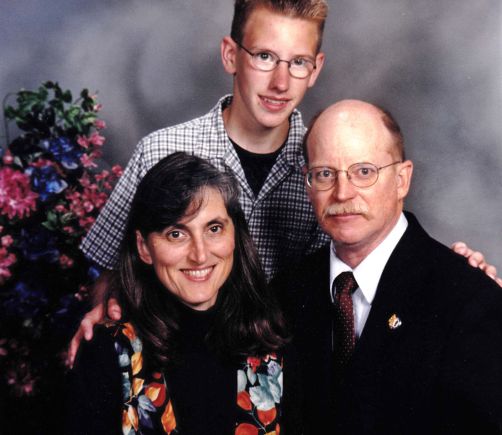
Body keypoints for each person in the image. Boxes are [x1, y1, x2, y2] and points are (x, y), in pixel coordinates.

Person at [69, 0, 498, 365]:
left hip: (277, 388)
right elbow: (111, 269)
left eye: (298, 62)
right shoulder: (159, 152)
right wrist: (104, 311)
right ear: (230, 55)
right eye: (264, 57)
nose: (280, 82)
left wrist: (459, 279)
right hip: (173, 369)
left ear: (316, 68)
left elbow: (372, 260)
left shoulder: (328, 166)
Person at [274, 100, 502, 434]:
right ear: (308, 186)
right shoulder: (284, 293)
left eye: (364, 172)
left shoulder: (469, 299)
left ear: (401, 179)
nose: (342, 193)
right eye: (324, 174)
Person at [67, 152, 292, 435]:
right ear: (144, 247)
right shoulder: (109, 353)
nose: (200, 255)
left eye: (214, 228)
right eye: (176, 234)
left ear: (235, 235)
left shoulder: (272, 346)